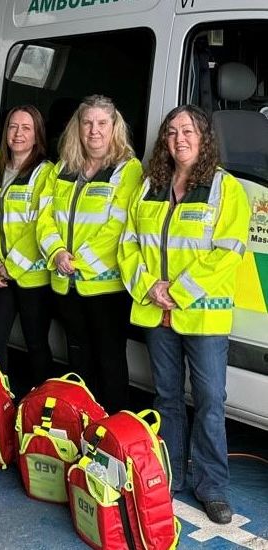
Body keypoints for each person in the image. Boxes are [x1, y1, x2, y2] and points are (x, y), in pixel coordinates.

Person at [118, 105, 249, 524]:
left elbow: (227, 254)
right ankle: (171, 473)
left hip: (203, 317)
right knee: (167, 399)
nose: (180, 139)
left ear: (203, 137)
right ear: (165, 141)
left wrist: (178, 291)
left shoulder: (225, 189)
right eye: (172, 132)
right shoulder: (149, 185)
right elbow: (127, 244)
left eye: (188, 131)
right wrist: (149, 288)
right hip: (158, 313)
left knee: (210, 402)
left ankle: (212, 487)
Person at [36, 95, 142, 412]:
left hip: (105, 288)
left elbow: (118, 226)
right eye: (87, 123)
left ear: (114, 128)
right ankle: (82, 424)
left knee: (109, 362)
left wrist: (77, 263)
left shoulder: (128, 168)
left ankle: (112, 433)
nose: (94, 130)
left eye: (102, 123)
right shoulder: (63, 168)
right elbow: (43, 216)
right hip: (66, 283)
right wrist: (56, 253)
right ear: (77, 128)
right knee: (77, 360)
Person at [0, 106, 54, 390]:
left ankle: (42, 407)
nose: (18, 133)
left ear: (37, 136)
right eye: (12, 127)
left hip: (32, 278)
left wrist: (11, 266)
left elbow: (38, 228)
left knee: (36, 344)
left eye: (26, 128)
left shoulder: (46, 173)